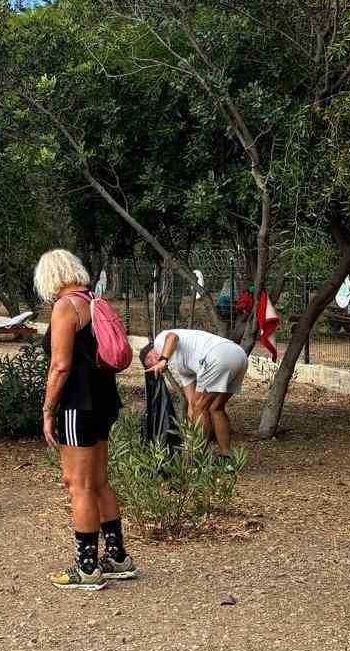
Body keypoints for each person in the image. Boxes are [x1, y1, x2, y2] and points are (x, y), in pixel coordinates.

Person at [36, 248, 135, 591]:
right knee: (99, 480)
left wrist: (48, 409)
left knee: (77, 484)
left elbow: (60, 365)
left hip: (77, 403)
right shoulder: (93, 301)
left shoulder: (65, 307)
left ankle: (87, 567)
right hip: (104, 399)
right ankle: (118, 558)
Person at [140, 328, 248, 455]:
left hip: (217, 355)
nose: (155, 365)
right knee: (215, 407)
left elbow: (173, 337)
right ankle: (226, 455)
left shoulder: (159, 341)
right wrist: (189, 434)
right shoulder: (183, 367)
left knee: (200, 406)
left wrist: (163, 359)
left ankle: (199, 455)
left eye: (151, 362)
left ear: (150, 353)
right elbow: (192, 405)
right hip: (239, 356)